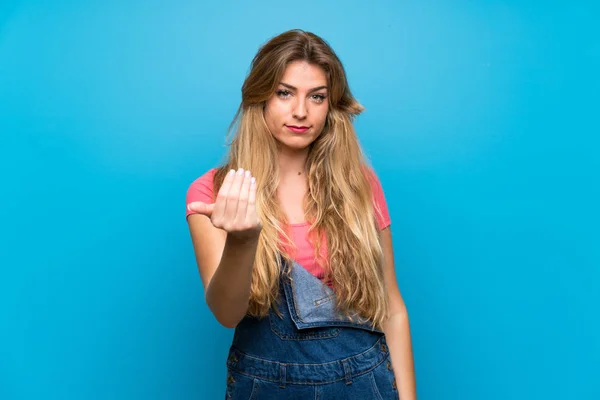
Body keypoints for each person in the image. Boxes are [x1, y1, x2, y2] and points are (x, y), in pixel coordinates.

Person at [186, 29, 416, 399]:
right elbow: (227, 313)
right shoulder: (215, 192)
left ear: (331, 105)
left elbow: (391, 308)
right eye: (284, 93)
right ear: (260, 97)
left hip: (364, 383)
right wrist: (243, 239)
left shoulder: (360, 185)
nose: (300, 111)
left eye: (317, 97)